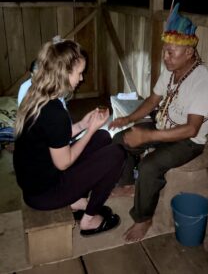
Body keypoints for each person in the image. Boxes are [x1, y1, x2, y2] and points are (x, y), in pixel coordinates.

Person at [108, 3, 208, 242]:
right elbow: (153, 99)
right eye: (165, 51)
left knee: (149, 167)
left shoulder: (202, 81)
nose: (165, 57)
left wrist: (147, 137)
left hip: (188, 141)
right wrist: (129, 119)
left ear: (189, 53)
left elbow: (191, 129)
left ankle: (144, 218)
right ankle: (126, 184)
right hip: (163, 127)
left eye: (171, 52)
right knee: (120, 139)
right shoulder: (170, 68)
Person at [13, 38, 126, 236]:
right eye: (79, 73)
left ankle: (74, 202)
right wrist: (89, 130)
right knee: (116, 154)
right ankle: (89, 220)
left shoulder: (37, 94)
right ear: (64, 73)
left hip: (37, 182)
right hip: (45, 194)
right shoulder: (55, 112)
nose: (81, 79)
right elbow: (64, 163)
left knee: (102, 137)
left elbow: (54, 137)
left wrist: (83, 124)